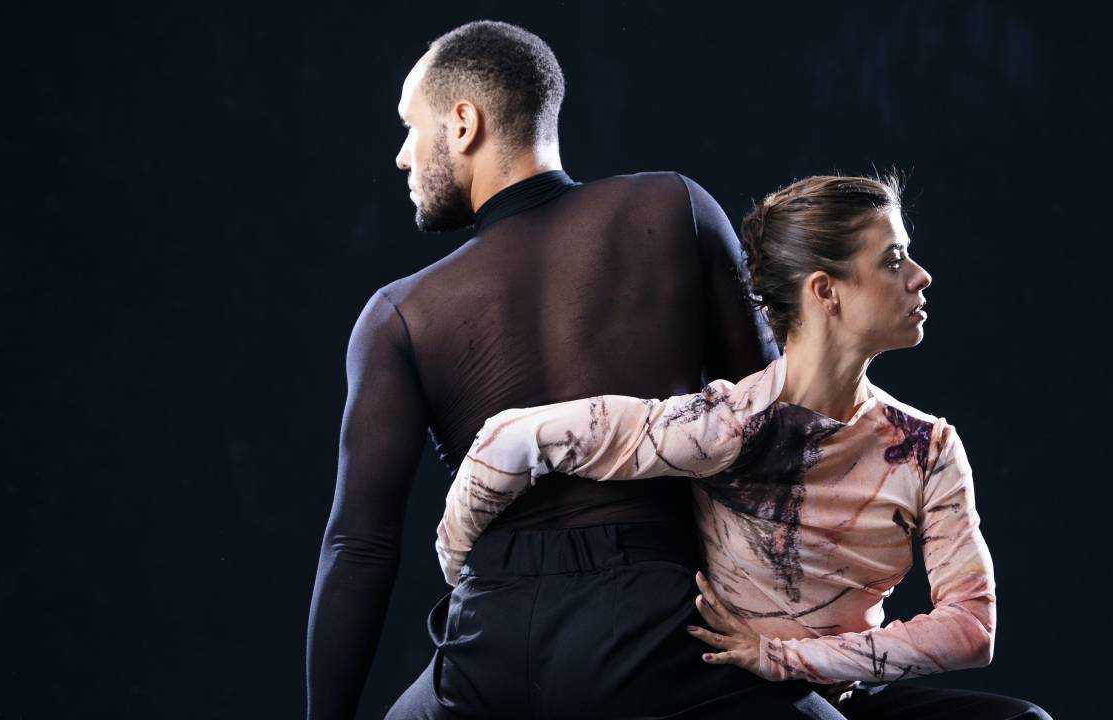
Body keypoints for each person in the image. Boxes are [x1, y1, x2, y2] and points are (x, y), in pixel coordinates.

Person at [306, 20, 839, 720]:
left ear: (463, 124)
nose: (403, 157)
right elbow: (780, 434)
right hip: (661, 628)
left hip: (485, 655)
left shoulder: (399, 314)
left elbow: (359, 545)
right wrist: (817, 643)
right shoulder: (673, 206)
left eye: (412, 129)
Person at [438, 174, 1052, 719]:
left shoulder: (926, 447)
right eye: (894, 260)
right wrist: (457, 559)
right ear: (825, 290)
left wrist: (787, 656)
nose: (921, 276)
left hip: (835, 684)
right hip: (736, 695)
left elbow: (971, 628)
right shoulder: (732, 423)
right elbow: (510, 437)